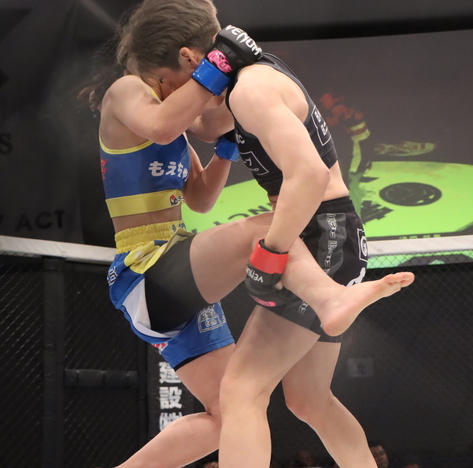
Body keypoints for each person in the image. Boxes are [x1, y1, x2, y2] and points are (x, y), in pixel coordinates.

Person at [85, 0, 415, 466]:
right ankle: (327, 296)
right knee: (261, 236)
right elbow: (167, 125)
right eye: (159, 84)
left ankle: (327, 296)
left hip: (205, 266)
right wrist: (217, 66)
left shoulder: (238, 93)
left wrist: (224, 151)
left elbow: (201, 194)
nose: (166, 91)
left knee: (235, 409)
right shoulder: (128, 91)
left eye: (165, 81)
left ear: (188, 58)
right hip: (145, 266)